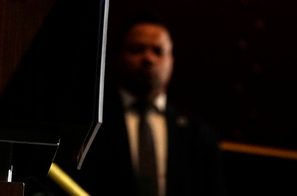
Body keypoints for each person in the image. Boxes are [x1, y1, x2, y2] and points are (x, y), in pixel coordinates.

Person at [74, 15, 227, 196]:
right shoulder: (88, 123)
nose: (148, 58)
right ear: (118, 56)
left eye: (158, 51)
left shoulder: (199, 134)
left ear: (171, 61)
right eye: (137, 49)